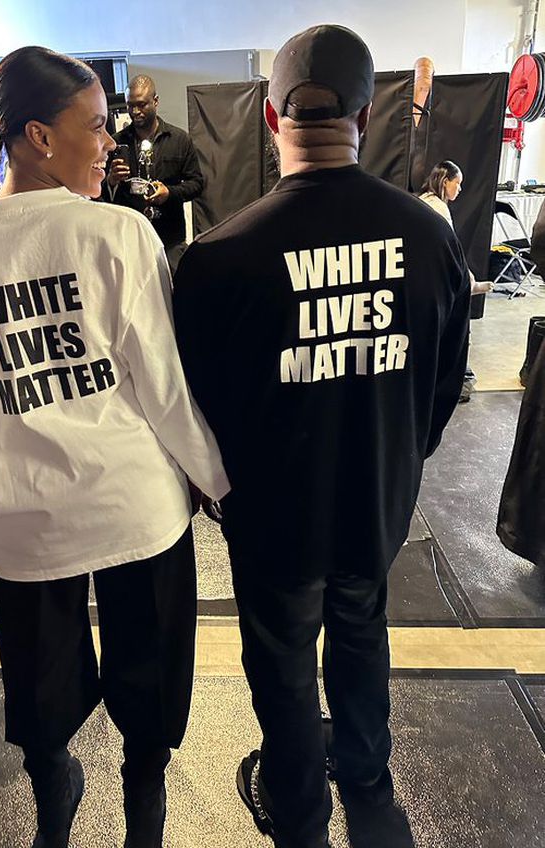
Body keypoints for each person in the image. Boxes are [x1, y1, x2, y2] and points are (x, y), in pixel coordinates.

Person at [0, 46, 228, 848]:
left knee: (39, 687)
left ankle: (53, 798)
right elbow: (162, 385)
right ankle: (142, 808)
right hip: (135, 504)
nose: (109, 142)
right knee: (150, 677)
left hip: (23, 514)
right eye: (94, 126)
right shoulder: (119, 233)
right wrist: (215, 480)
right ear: (38, 136)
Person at [173, 25, 470, 848]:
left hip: (272, 515)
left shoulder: (216, 257)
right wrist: (396, 458)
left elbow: (193, 410)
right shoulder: (429, 237)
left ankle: (298, 810)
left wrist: (226, 492)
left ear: (271, 119)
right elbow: (443, 384)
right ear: (367, 117)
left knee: (280, 659)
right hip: (375, 497)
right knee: (360, 628)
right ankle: (366, 779)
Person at [105, 75, 204, 274]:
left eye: (141, 105)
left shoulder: (179, 140)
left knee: (176, 289)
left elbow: (197, 184)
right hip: (130, 239)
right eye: (130, 105)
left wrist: (169, 193)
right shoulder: (115, 143)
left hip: (170, 239)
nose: (135, 112)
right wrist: (111, 181)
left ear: (156, 101)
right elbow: (99, 194)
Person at [419, 160, 492, 400]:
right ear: (444, 182)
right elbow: (452, 249)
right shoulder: (438, 208)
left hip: (425, 278)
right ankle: (460, 382)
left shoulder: (425, 202)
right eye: (457, 183)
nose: (459, 189)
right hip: (435, 281)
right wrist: (468, 280)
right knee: (452, 333)